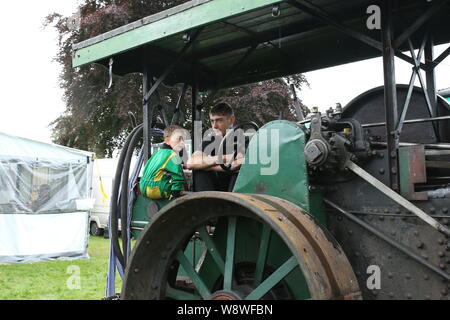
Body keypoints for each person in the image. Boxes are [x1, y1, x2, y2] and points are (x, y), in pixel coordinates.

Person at [187, 103, 243, 192]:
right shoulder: (210, 140)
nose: (214, 126)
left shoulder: (242, 139)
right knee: (199, 171)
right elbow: (191, 162)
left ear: (231, 120)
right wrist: (223, 158)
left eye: (219, 120)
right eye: (212, 121)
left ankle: (232, 204)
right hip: (214, 188)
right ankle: (207, 203)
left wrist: (206, 164)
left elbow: (238, 166)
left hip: (236, 191)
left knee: (238, 175)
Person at [140, 125, 187, 200]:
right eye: (178, 139)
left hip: (143, 187)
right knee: (180, 188)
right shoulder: (172, 155)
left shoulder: (157, 153)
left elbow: (146, 168)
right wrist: (175, 191)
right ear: (167, 141)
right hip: (156, 188)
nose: (181, 143)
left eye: (182, 140)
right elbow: (177, 175)